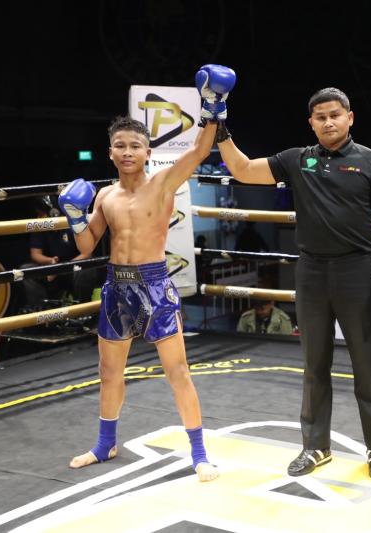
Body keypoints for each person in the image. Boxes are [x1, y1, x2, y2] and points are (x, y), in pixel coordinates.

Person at [214, 86, 371, 480]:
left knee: (368, 365)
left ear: (349, 118)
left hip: (357, 271)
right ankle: (315, 446)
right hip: (311, 273)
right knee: (314, 365)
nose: (328, 122)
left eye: (335, 115)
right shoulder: (296, 159)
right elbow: (243, 169)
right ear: (311, 122)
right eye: (320, 117)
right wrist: (221, 130)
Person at [58, 64, 236, 482]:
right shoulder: (105, 196)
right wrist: (74, 216)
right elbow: (86, 246)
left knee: (178, 372)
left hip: (154, 284)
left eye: (135, 145)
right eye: (120, 146)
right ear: (110, 152)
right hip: (116, 288)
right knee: (109, 372)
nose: (127, 152)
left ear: (147, 152)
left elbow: (199, 150)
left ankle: (199, 453)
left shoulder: (163, 184)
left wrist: (213, 107)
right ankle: (105, 444)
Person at [19, 196, 97, 309]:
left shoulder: (73, 222)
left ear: (53, 213)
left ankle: (82, 310)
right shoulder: (39, 225)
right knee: (26, 269)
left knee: (87, 267)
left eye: (41, 214)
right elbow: (35, 254)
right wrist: (50, 261)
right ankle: (42, 311)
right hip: (52, 270)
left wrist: (62, 268)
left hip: (73, 269)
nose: (38, 217)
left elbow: (87, 253)